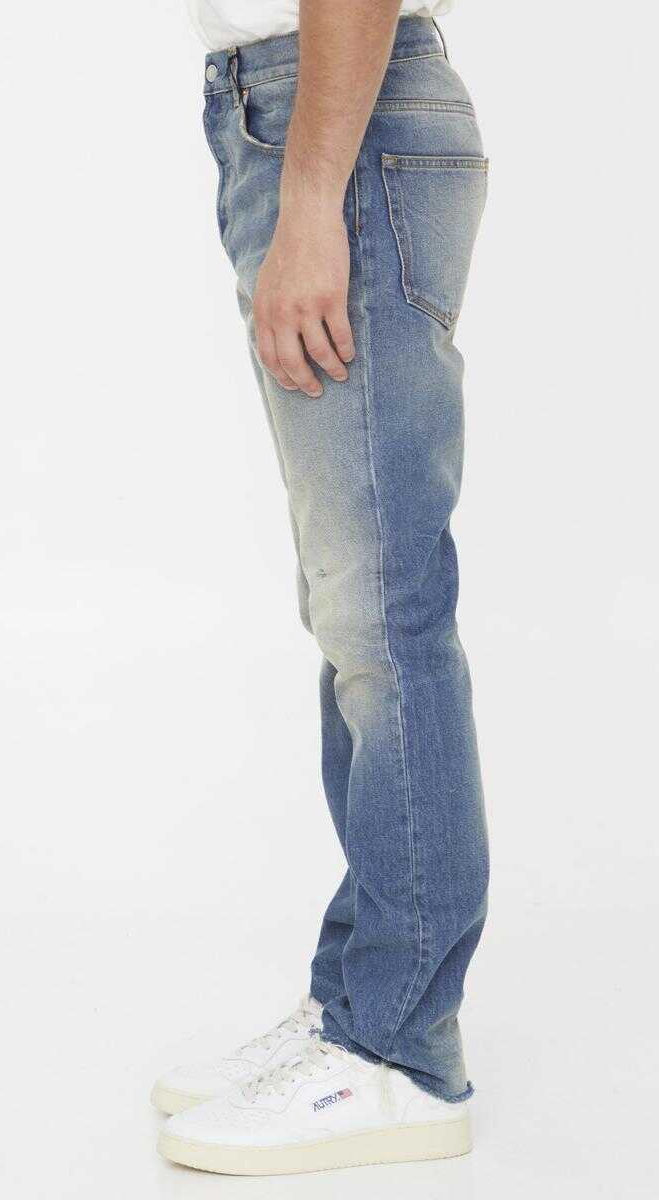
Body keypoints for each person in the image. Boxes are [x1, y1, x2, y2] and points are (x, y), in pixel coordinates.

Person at [153, 0, 490, 1175]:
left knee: (383, 610)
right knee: (354, 607)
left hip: (339, 115)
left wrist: (309, 203)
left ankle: (398, 1048)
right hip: (306, 115)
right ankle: (358, 995)